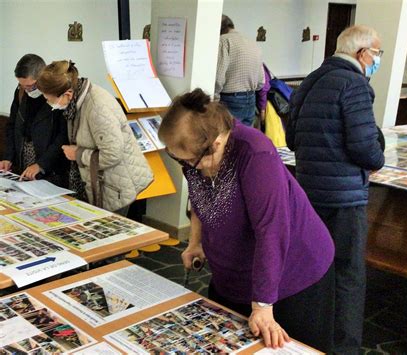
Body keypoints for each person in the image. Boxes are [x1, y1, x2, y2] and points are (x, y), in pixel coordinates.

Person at [158, 88, 335, 352]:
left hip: (294, 274)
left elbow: (271, 232)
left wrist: (262, 305)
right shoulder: (195, 156)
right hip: (234, 275)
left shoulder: (254, 153)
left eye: (185, 160)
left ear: (214, 145)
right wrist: (196, 242)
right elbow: (198, 197)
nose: (183, 165)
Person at [286, 25, 385, 354]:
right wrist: (378, 155)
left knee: (315, 267)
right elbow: (365, 149)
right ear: (361, 54)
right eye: (377, 53)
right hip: (345, 200)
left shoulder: (311, 80)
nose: (377, 60)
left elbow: (291, 137)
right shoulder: (354, 84)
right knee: (347, 276)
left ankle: (311, 338)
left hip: (310, 192)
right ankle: (344, 347)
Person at [36, 60, 153, 214]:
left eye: (49, 98)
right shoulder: (77, 100)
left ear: (68, 94)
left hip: (116, 184)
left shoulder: (97, 107)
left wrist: (77, 154)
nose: (48, 102)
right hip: (100, 180)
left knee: (113, 234)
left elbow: (113, 154)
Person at [0, 54, 68, 185]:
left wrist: (41, 164)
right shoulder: (21, 91)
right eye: (22, 85)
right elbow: (11, 125)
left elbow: (62, 136)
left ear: (42, 77)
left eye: (30, 85)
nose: (27, 89)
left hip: (50, 168)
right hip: (23, 165)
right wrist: (8, 157)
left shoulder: (56, 97)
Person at [215, 15, 265, 127]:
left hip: (230, 99)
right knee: (244, 138)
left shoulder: (223, 41)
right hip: (251, 99)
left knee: (228, 139)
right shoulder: (252, 43)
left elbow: (218, 78)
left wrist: (214, 100)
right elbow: (261, 81)